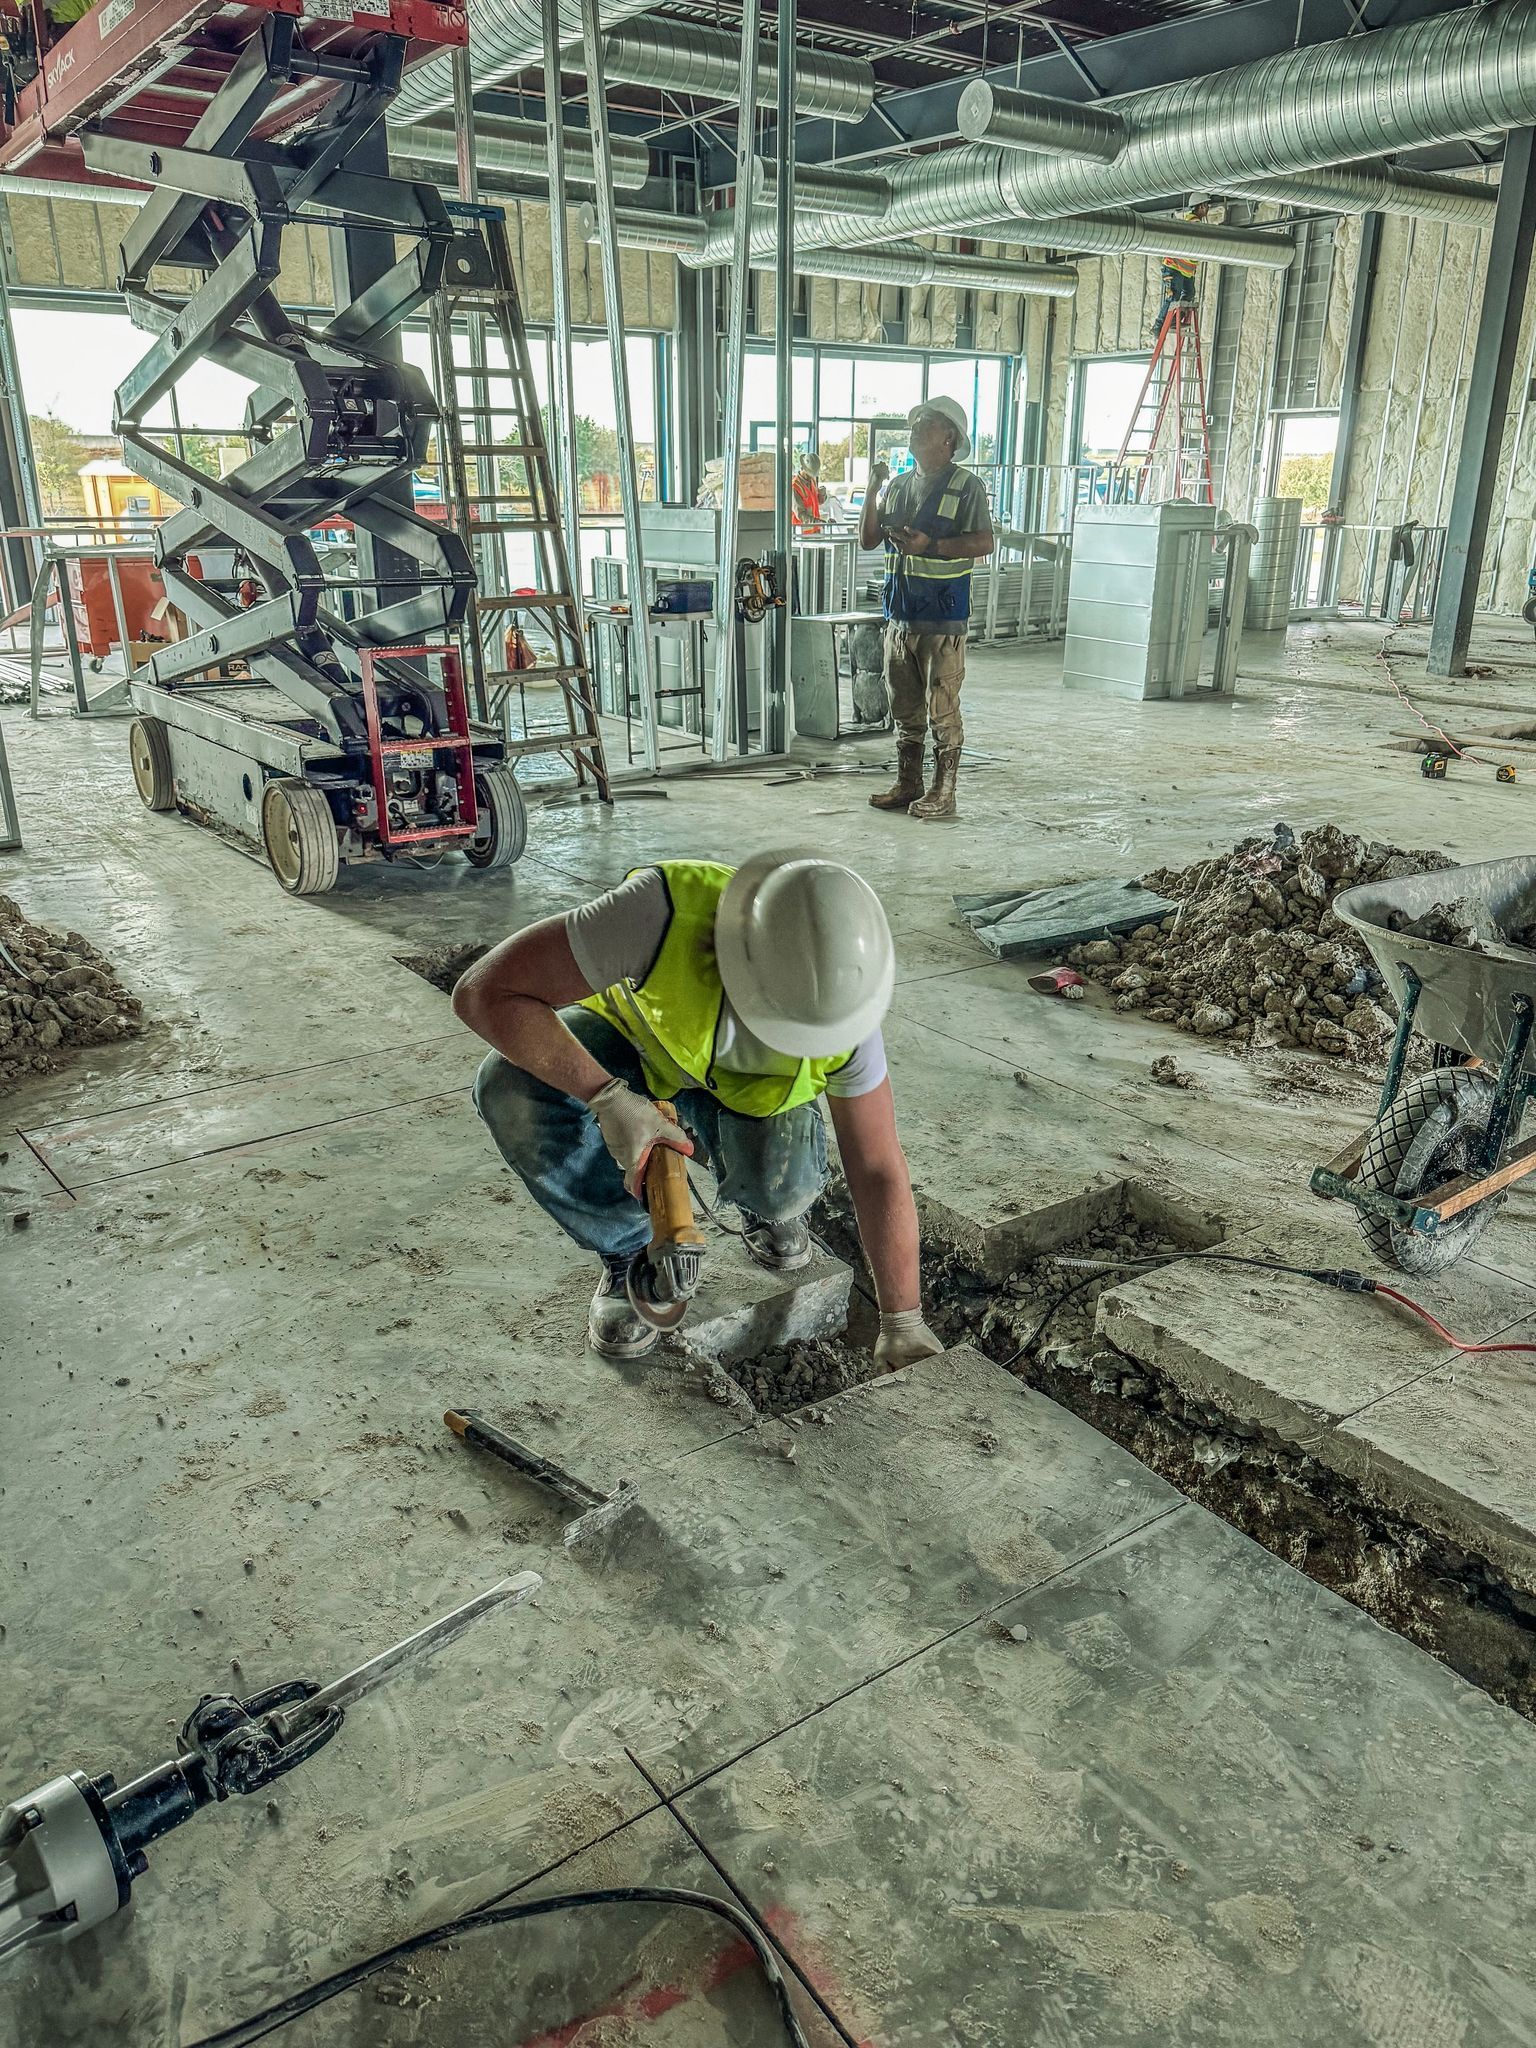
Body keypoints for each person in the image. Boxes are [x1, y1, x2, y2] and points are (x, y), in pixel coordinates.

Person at [453, 850, 946, 1371]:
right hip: (630, 1052)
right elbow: (485, 991)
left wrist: (903, 1321)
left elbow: (876, 1167)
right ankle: (627, 1255)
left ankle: (763, 1207)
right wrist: (607, 1098)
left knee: (782, 1186)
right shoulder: (660, 914)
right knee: (510, 1087)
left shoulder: (848, 1016)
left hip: (742, 1097)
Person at [859, 396, 993, 824]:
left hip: (941, 615)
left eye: (927, 423)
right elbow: (867, 540)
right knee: (905, 707)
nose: (916, 428)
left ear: (948, 438)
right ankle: (909, 783)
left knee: (942, 706)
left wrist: (930, 546)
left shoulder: (966, 487)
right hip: (900, 615)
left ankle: (944, 791)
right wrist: (872, 489)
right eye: (916, 422)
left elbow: (984, 543)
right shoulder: (898, 485)